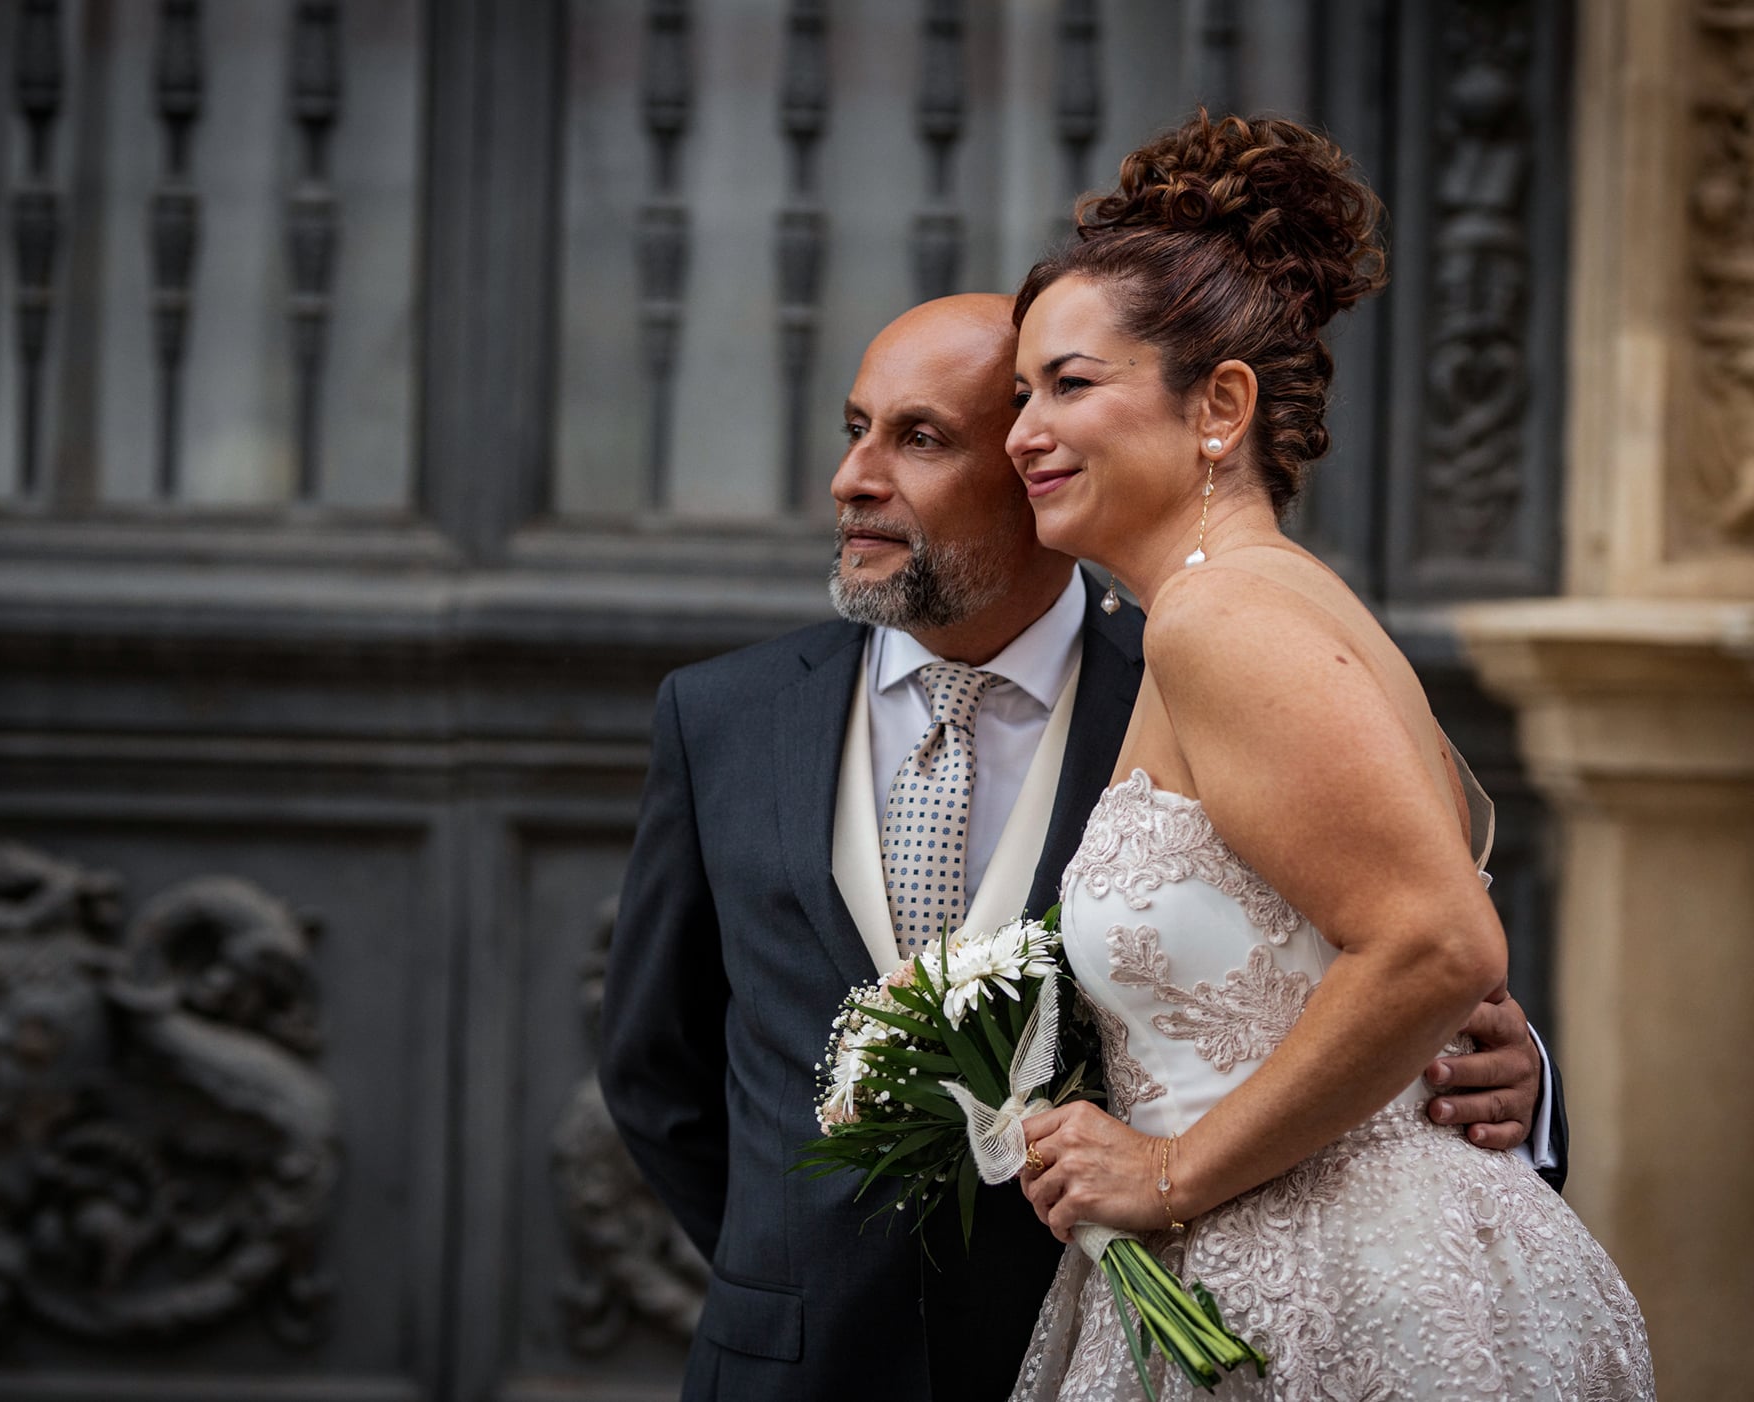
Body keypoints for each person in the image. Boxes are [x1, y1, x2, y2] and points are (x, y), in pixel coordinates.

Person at [599, 295, 1561, 1402]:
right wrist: (788, 1271)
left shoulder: (1195, 687)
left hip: (1127, 1341)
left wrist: (1512, 1088)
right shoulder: (720, 716)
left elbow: (1403, 950)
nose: (852, 478)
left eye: (918, 439)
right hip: (794, 1368)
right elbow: (650, 1063)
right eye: (853, 428)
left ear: (1029, 466)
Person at [1002, 113, 1652, 1398]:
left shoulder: (1223, 618)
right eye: (1018, 393)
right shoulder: (1257, 600)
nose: (1022, 430)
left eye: (1067, 385)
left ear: (1220, 406)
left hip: (1334, 1280)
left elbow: (1437, 941)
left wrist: (1167, 1172)